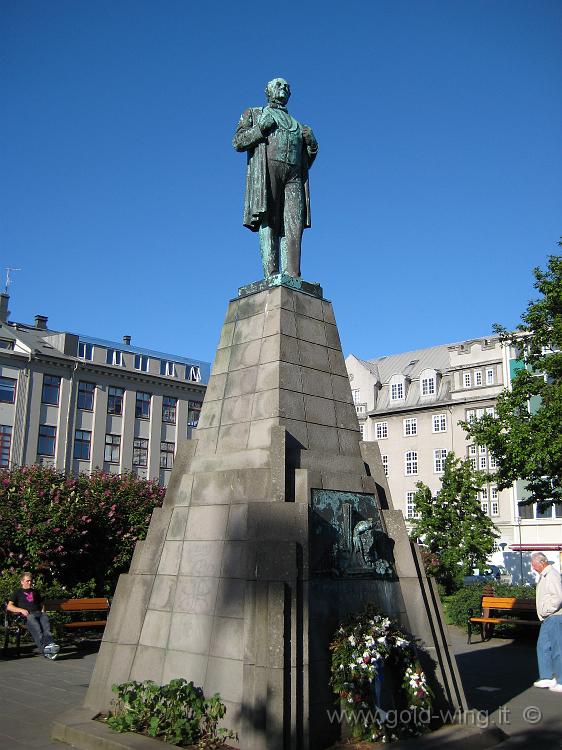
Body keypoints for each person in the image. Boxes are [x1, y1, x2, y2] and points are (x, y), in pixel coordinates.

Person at [233, 77, 318, 279]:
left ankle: (293, 274)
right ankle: (271, 273)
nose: (284, 88)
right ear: (268, 91)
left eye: (288, 87)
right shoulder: (255, 113)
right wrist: (261, 128)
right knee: (269, 218)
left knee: (294, 223)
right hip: (267, 170)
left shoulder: (298, 125)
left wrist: (312, 145)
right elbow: (238, 142)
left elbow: (306, 160)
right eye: (279, 85)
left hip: (294, 176)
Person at [7, 571, 60, 660]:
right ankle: (46, 650)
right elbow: (9, 606)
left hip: (39, 614)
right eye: (27, 581)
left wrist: (43, 611)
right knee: (37, 630)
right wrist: (21, 610)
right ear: (22, 581)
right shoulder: (17, 592)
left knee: (46, 626)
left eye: (31, 581)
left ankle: (50, 645)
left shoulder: (35, 591)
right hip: (27, 616)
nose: (30, 582)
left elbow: (41, 603)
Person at [531, 552, 562, 692]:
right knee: (542, 646)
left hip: (554, 616)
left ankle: (561, 680)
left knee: (557, 649)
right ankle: (546, 677)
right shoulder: (545, 575)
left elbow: (558, 597)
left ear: (541, 562)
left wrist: (546, 610)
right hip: (548, 617)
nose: (532, 567)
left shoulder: (551, 575)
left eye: (534, 564)